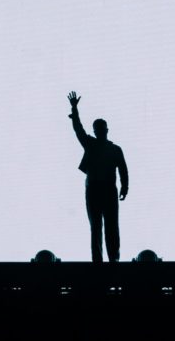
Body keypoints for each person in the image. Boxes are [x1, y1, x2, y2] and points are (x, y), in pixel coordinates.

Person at [67, 91, 129, 263]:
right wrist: (74, 110)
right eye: (98, 129)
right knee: (98, 227)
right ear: (96, 131)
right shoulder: (94, 145)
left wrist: (125, 187)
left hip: (105, 189)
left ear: (105, 130)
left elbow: (123, 170)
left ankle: (111, 260)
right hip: (96, 189)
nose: (100, 132)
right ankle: (101, 261)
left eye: (101, 129)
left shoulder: (113, 149)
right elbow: (78, 130)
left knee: (109, 227)